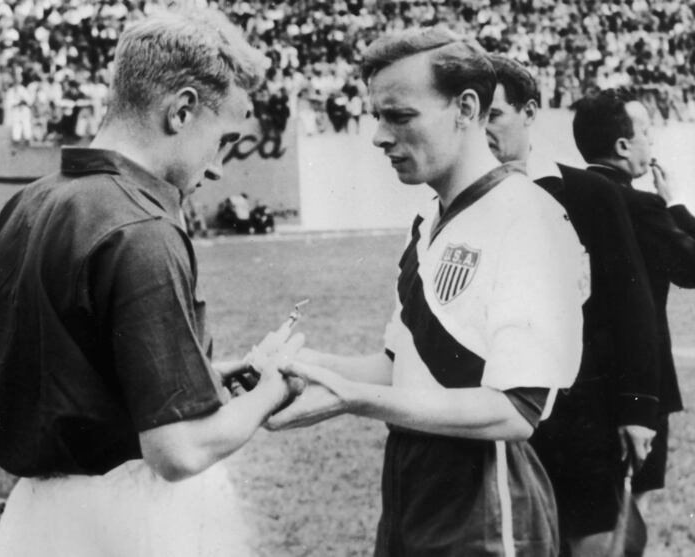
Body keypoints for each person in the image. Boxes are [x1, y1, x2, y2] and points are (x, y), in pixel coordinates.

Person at [0, 9, 303, 557]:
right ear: (182, 110)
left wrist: (203, 376)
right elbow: (179, 451)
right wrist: (274, 389)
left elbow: (71, 372)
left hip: (34, 520)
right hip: (132, 521)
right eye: (222, 141)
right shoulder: (142, 225)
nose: (220, 168)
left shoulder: (27, 203)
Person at [269, 28, 589, 556]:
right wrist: (300, 367)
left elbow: (514, 412)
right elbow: (401, 368)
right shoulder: (428, 220)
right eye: (376, 116)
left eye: (399, 116)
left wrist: (356, 401)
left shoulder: (529, 218)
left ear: (466, 108)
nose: (378, 136)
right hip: (411, 490)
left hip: (486, 503)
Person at [486, 55, 660, 556]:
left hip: (586, 411)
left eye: (495, 116)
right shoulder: (460, 205)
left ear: (530, 112)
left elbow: (632, 307)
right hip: (499, 414)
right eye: (473, 119)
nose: (483, 132)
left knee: (590, 541)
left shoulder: (589, 193)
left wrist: (638, 410)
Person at [572, 88, 695, 515]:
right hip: (640, 379)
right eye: (646, 132)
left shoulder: (567, 193)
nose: (652, 142)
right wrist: (675, 203)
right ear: (623, 146)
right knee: (629, 512)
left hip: (581, 380)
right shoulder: (640, 204)